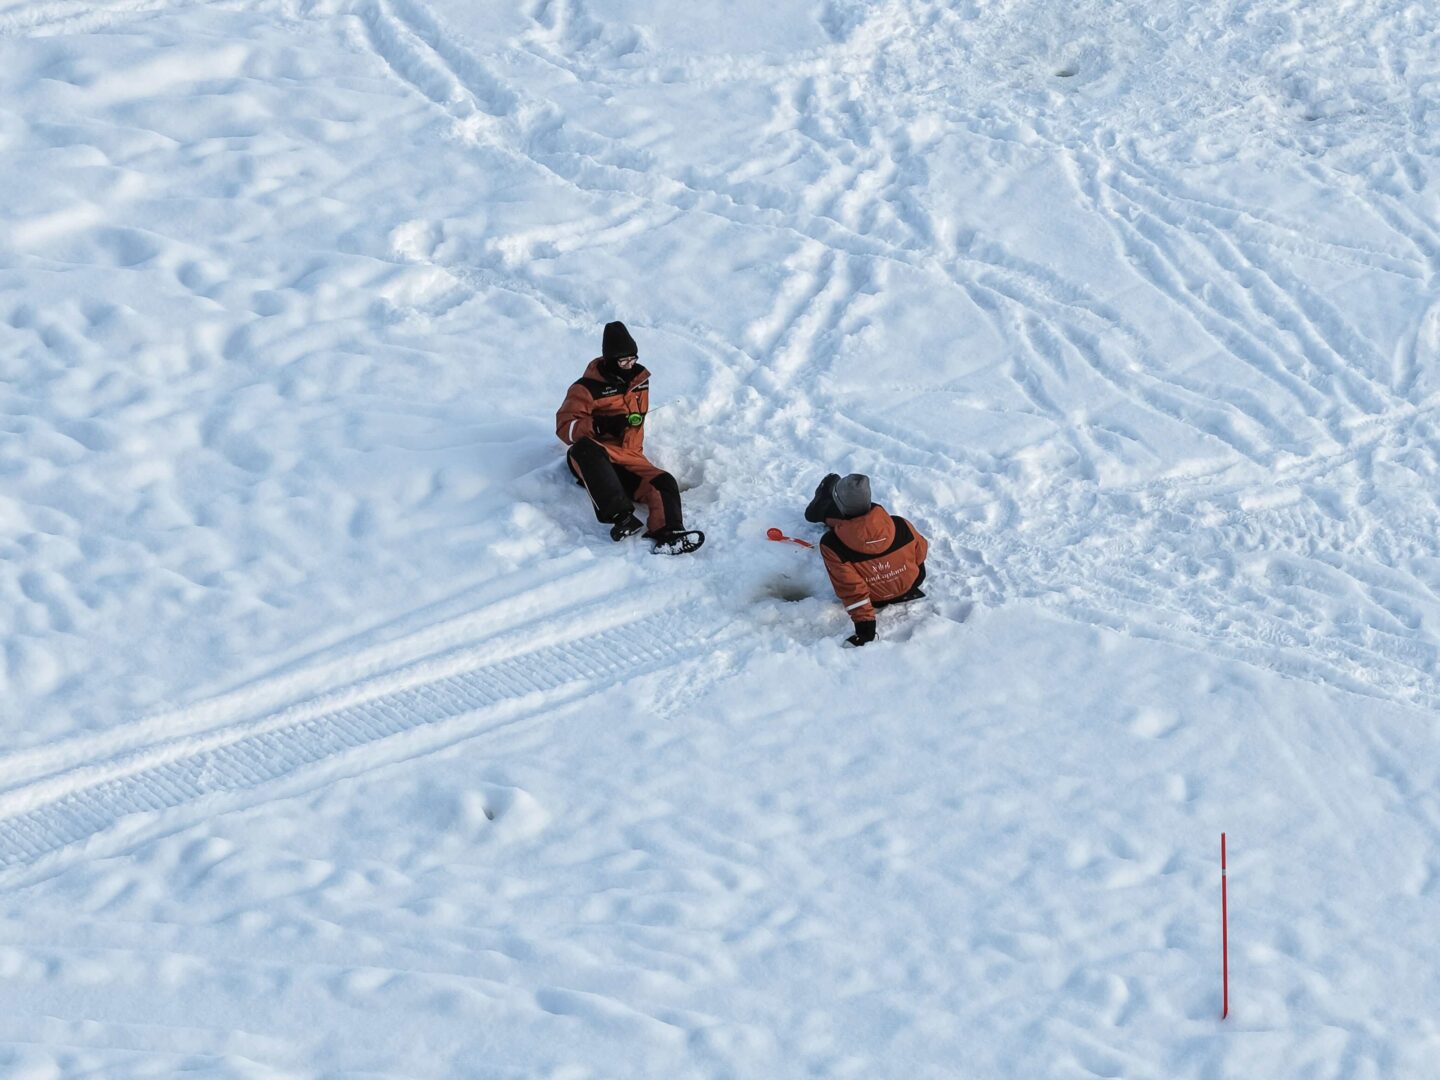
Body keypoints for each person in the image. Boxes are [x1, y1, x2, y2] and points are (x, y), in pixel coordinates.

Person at [556, 321, 701, 553]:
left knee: (664, 482)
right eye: (623, 361)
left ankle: (670, 534)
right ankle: (621, 518)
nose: (629, 365)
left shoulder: (640, 381)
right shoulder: (585, 388)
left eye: (632, 359)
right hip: (596, 456)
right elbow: (565, 427)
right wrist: (601, 425)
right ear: (610, 360)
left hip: (630, 456)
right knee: (582, 449)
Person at [805, 473, 928, 647]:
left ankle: (822, 508)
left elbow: (851, 589)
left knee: (845, 525)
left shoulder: (831, 544)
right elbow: (921, 551)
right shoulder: (901, 524)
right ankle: (826, 507)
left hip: (873, 596)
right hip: (909, 584)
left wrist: (865, 631)